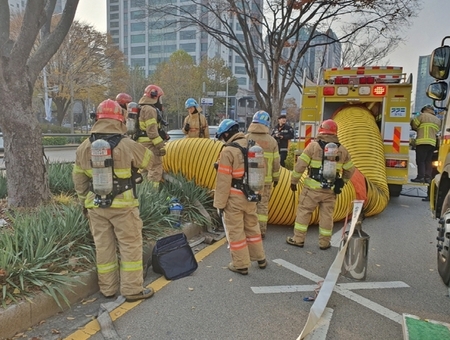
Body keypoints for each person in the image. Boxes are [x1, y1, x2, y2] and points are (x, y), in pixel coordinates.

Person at [72, 99, 154, 302]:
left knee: (104, 247)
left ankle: (108, 289)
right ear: (120, 120)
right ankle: (132, 289)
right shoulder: (127, 145)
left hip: (96, 206)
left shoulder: (84, 147)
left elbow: (79, 180)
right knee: (130, 246)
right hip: (124, 207)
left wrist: (84, 201)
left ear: (97, 119)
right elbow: (149, 161)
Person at [286, 119, 355, 250]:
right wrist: (343, 182)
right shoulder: (342, 150)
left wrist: (293, 181)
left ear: (321, 131)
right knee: (327, 215)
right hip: (331, 190)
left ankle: (298, 239)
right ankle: (324, 243)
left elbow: (300, 165)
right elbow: (350, 169)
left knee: (304, 212)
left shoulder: (313, 146)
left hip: (312, 188)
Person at [214, 119, 266, 275]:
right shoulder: (253, 146)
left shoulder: (228, 151)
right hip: (251, 195)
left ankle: (241, 265)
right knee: (252, 227)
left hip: (234, 198)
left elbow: (223, 182)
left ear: (227, 133)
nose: (223, 139)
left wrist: (219, 204)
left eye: (223, 136)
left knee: (235, 231)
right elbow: (262, 172)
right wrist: (259, 194)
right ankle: (260, 258)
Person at [245, 111, 280, 239]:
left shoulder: (246, 138)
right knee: (262, 206)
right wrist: (276, 178)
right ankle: (260, 231)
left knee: (248, 204)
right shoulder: (272, 141)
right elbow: (276, 162)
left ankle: (248, 230)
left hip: (248, 180)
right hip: (266, 181)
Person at [137, 85, 167, 187]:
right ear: (155, 97)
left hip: (142, 143)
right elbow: (152, 131)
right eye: (160, 97)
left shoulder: (142, 107)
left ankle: (142, 192)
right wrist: (160, 146)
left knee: (144, 168)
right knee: (155, 167)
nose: (160, 100)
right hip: (150, 144)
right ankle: (152, 195)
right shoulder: (150, 110)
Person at [410, 104, 441, 184]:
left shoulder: (422, 116)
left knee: (421, 161)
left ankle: (420, 177)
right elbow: (437, 131)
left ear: (424, 110)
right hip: (432, 143)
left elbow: (414, 125)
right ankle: (428, 177)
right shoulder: (437, 120)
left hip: (422, 142)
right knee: (428, 161)